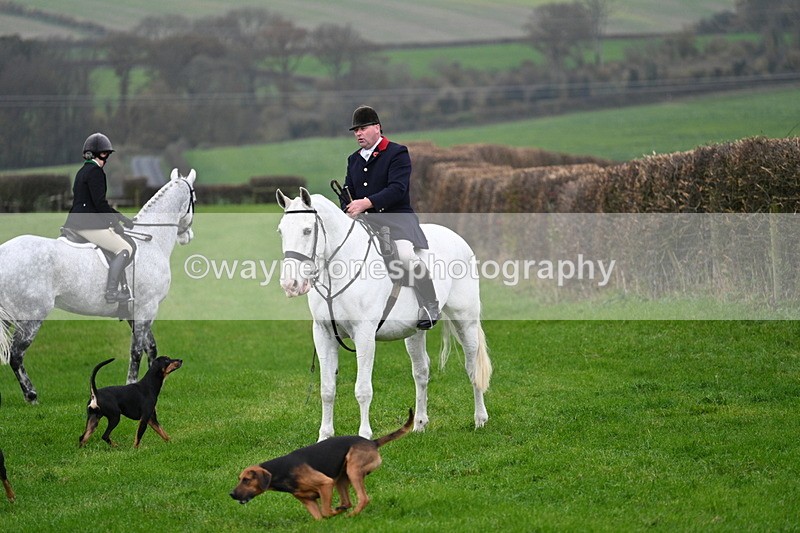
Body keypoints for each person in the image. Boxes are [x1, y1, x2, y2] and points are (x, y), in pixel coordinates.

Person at [342, 105, 439, 329]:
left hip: (397, 219)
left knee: (405, 256)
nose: (358, 134)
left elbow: (398, 189)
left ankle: (430, 304)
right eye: (355, 130)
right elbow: (349, 191)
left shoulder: (396, 153)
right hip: (366, 222)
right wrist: (348, 206)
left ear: (377, 128)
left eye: (363, 128)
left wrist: (366, 203)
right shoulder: (353, 160)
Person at [64, 132, 135, 303]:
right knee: (125, 249)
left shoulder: (82, 171)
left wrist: (120, 217)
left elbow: (92, 202)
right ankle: (112, 292)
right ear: (100, 154)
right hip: (88, 225)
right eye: (105, 154)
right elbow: (99, 203)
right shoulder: (96, 172)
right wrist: (115, 223)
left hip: (75, 221)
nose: (107, 158)